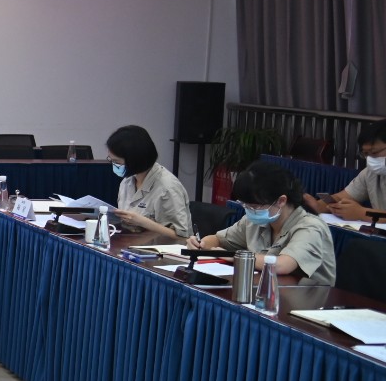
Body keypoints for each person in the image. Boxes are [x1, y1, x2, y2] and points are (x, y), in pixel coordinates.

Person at [188, 159, 336, 286]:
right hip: (264, 290)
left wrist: (235, 256)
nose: (249, 210)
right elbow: (219, 240)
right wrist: (202, 244)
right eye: (245, 205)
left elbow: (282, 265)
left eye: (255, 206)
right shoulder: (255, 220)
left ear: (281, 201)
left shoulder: (310, 227)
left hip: (307, 301)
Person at [105, 125, 192, 238]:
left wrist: (144, 222)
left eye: (117, 162)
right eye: (111, 160)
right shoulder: (127, 181)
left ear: (134, 159)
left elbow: (183, 237)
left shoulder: (167, 187)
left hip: (160, 248)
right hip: (132, 244)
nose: (114, 165)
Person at [305, 120, 386, 221]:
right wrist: (317, 206)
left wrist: (361, 213)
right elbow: (342, 197)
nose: (370, 159)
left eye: (374, 152)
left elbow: (360, 213)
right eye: (366, 154)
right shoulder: (370, 173)